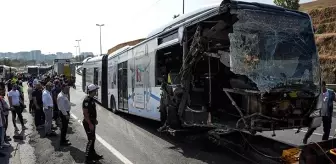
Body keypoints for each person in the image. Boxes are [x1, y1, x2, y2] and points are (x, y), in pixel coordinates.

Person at [82, 84, 103, 163]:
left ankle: (93, 154)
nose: (96, 91)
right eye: (95, 90)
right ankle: (87, 158)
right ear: (92, 91)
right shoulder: (86, 100)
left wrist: (95, 120)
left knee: (93, 139)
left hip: (92, 121)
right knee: (90, 140)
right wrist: (90, 123)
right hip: (88, 123)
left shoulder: (91, 99)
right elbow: (85, 113)